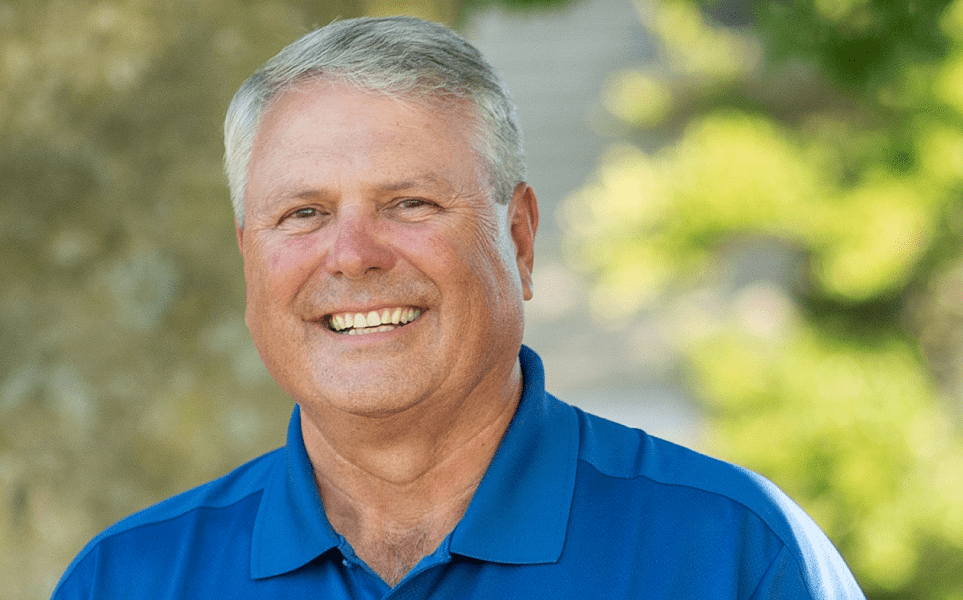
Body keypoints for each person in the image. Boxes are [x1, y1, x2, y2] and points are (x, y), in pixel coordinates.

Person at [51, 16, 865, 599]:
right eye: (302, 214)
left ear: (518, 239)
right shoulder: (126, 579)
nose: (353, 255)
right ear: (248, 262)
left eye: (408, 203)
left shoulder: (733, 558)